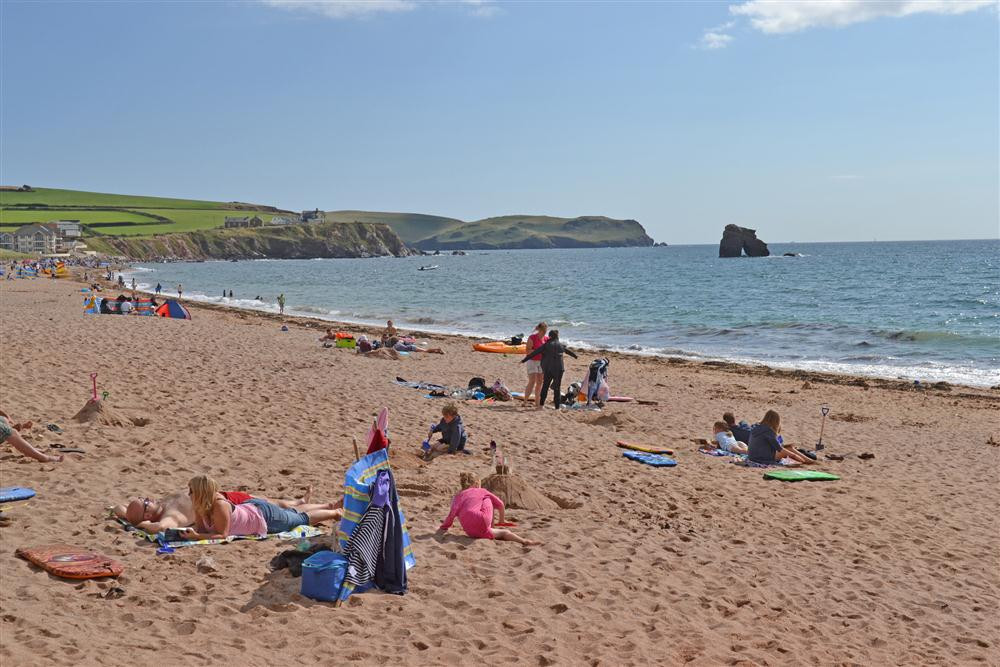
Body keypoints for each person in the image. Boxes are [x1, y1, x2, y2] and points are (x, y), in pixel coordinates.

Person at [182, 475, 342, 540]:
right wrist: (192, 533)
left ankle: (334, 512)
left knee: (300, 519)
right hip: (251, 509)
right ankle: (329, 506)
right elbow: (202, 529)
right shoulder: (200, 505)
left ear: (201, 493)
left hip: (263, 516)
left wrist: (197, 536)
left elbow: (222, 535)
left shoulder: (219, 505)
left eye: (192, 491)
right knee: (292, 512)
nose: (189, 494)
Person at [113, 487, 331, 533]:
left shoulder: (160, 506)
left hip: (222, 498)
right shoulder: (172, 515)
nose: (148, 498)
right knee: (279, 508)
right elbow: (161, 527)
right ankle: (322, 506)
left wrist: (129, 514)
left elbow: (119, 509)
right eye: (145, 502)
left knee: (275, 504)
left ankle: (300, 502)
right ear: (148, 515)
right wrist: (141, 525)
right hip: (226, 505)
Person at [437, 473, 540, 546]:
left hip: (470, 531)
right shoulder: (481, 490)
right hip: (482, 521)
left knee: (467, 508)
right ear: (476, 484)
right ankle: (524, 541)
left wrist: (444, 526)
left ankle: (490, 527)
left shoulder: (457, 497)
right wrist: (501, 521)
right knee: (488, 499)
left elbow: (452, 514)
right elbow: (500, 504)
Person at [519, 329, 577, 409]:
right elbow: (568, 352)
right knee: (557, 388)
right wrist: (575, 356)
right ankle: (557, 408)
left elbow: (535, 353)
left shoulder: (546, 345)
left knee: (545, 386)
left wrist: (524, 360)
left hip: (549, 369)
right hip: (559, 369)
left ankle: (541, 406)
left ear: (549, 336)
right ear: (557, 336)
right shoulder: (560, 345)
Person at [747, 410, 814, 465]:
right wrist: (795, 456)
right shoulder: (768, 431)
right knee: (790, 449)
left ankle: (808, 460)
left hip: (752, 457)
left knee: (788, 448)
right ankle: (809, 461)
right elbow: (779, 449)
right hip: (762, 458)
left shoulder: (756, 427)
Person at [523, 322, 548, 408]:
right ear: (539, 330)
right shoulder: (532, 337)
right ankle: (525, 401)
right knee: (532, 381)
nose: (544, 333)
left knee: (540, 382)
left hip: (542, 362)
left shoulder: (546, 339)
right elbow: (528, 351)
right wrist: (539, 351)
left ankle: (537, 402)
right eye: (543, 331)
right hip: (532, 361)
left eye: (545, 331)